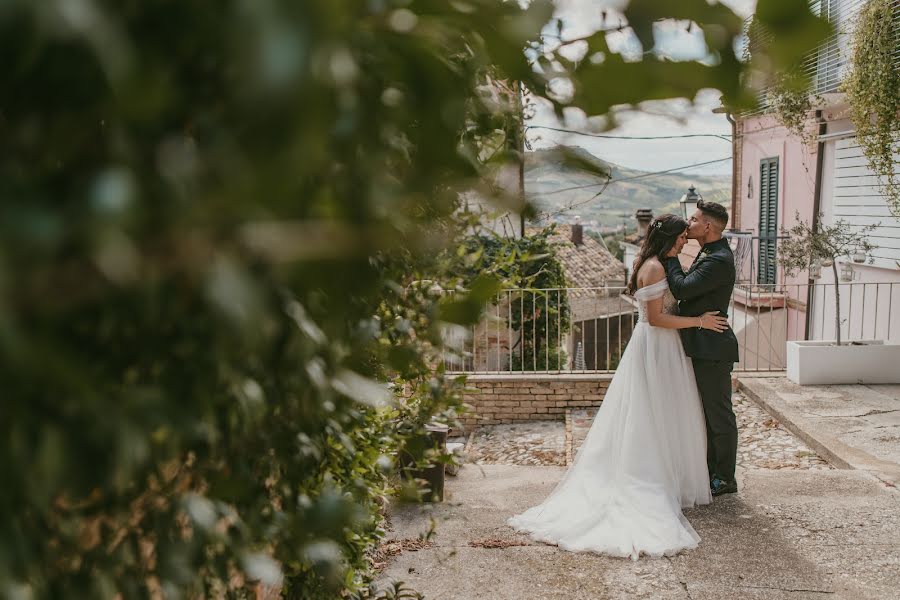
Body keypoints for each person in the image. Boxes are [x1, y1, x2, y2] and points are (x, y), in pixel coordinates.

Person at [508, 214, 729, 559]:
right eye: (683, 237)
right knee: (650, 412)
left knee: (662, 411)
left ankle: (668, 475)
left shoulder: (658, 262)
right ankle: (649, 476)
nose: (686, 241)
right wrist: (699, 321)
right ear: (671, 239)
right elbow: (656, 317)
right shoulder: (655, 268)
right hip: (656, 344)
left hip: (663, 346)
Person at [663, 200, 740, 497]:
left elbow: (682, 289)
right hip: (701, 342)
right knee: (706, 414)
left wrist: (670, 256)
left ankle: (725, 477)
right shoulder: (708, 252)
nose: (688, 223)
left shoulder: (718, 259)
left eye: (693, 219)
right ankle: (710, 471)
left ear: (707, 226)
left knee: (719, 415)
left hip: (713, 347)